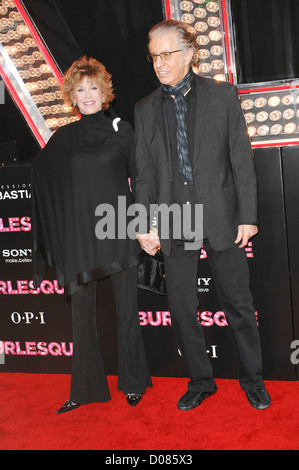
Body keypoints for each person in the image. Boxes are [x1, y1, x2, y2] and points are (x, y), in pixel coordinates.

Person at [134, 20, 270, 411]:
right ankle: (200, 381)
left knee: (239, 305)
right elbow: (143, 173)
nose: (159, 63)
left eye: (166, 54)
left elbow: (241, 160)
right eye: (154, 56)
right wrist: (143, 223)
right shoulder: (144, 109)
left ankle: (253, 381)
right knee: (181, 308)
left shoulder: (223, 95)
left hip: (222, 215)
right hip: (175, 218)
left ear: (190, 54)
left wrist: (248, 215)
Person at [31, 56, 152, 414]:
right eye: (81, 89)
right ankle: (84, 390)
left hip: (118, 230)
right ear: (72, 94)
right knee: (81, 317)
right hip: (81, 241)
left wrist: (146, 223)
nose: (88, 95)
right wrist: (59, 230)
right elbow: (41, 178)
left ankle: (133, 382)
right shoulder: (63, 137)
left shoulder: (122, 130)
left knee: (128, 312)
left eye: (93, 88)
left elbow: (143, 180)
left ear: (104, 92)